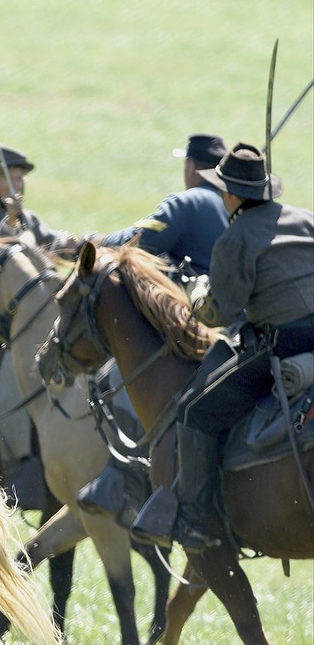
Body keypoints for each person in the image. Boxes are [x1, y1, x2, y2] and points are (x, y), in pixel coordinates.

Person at [132, 142, 314, 554]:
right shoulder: (306, 220)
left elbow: (219, 313)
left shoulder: (235, 238)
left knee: (196, 412)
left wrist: (197, 295)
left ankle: (195, 519)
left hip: (281, 348)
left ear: (231, 194)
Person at [79, 133, 230, 523]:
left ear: (192, 169)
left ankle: (120, 478)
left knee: (124, 372)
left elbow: (135, 241)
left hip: (191, 325)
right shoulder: (236, 208)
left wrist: (88, 241)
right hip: (231, 333)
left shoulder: (190, 200)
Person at [0, 146, 75, 507]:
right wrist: (14, 226)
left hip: (29, 325)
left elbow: (48, 242)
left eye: (21, 177)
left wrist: (71, 244)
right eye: (10, 176)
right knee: (11, 397)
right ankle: (16, 474)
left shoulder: (27, 217)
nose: (18, 183)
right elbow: (10, 252)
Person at [100, 133, 229, 276]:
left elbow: (139, 240)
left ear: (192, 168)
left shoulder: (186, 203)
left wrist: (95, 240)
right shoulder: (232, 204)